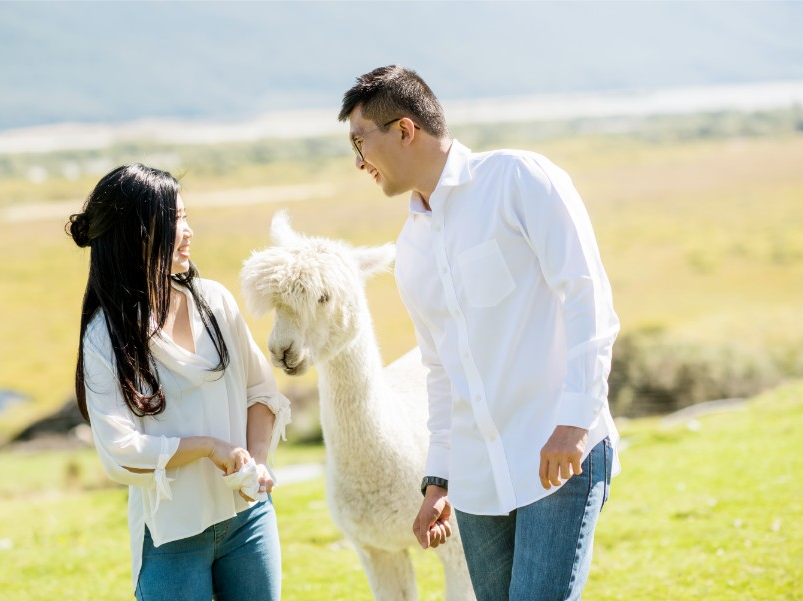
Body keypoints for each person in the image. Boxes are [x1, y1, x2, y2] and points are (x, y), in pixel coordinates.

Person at [338, 66, 620, 600]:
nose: (358, 163)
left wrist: (574, 421)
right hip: (475, 483)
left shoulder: (519, 179)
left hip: (558, 454)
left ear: (404, 129)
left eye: (361, 142)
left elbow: (587, 297)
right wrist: (439, 478)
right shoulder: (411, 250)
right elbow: (440, 371)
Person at [66, 164, 290, 601]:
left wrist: (258, 463)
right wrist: (209, 446)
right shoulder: (105, 337)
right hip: (171, 538)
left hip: (249, 521)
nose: (186, 231)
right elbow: (121, 452)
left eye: (185, 217)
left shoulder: (215, 302)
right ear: (134, 234)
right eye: (171, 221)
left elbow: (261, 393)